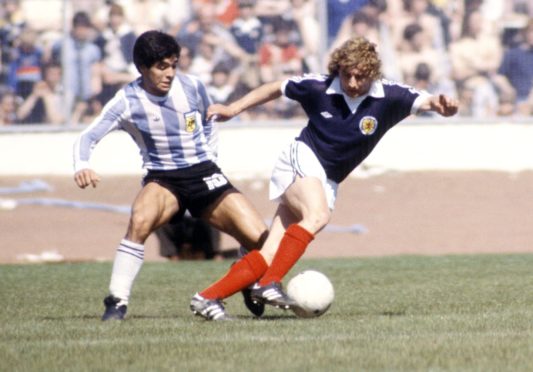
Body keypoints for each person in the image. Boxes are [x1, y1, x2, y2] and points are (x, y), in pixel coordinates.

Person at [191, 36, 458, 320]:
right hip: (302, 158)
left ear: (373, 73)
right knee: (317, 216)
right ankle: (269, 284)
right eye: (347, 75)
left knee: (269, 254)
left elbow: (426, 100)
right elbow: (276, 87)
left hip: (328, 180)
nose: (353, 82)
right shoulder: (318, 87)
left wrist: (441, 105)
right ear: (338, 70)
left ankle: (207, 298)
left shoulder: (390, 96)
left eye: (361, 76)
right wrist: (232, 109)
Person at [73, 30, 268, 321]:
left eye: (174, 65)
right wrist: (82, 165)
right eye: (161, 67)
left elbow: (210, 120)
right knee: (139, 221)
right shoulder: (126, 101)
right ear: (142, 68)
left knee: (261, 239)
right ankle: (116, 302)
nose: (170, 73)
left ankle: (244, 279)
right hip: (164, 179)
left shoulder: (192, 86)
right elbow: (87, 137)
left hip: (203, 172)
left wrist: (209, 157)